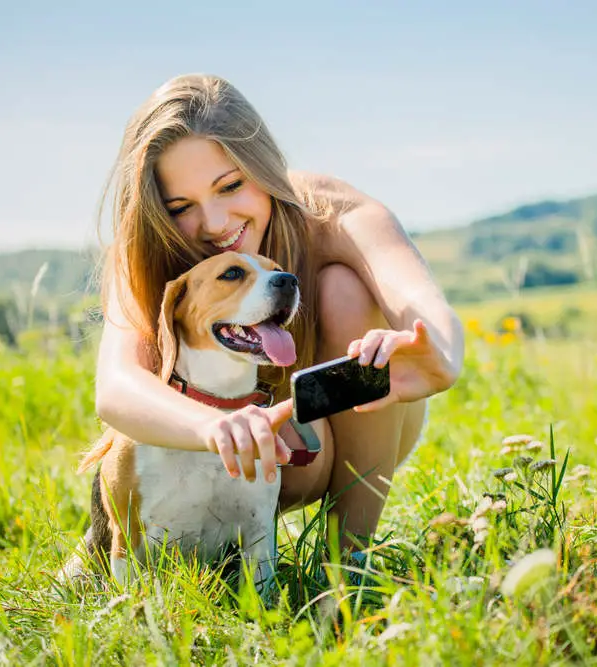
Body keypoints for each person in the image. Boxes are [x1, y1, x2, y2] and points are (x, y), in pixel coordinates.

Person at [94, 73, 464, 553]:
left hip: (317, 441)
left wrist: (437, 355)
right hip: (201, 452)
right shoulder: (147, 246)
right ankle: (146, 543)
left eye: (229, 186)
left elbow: (418, 299)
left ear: (263, 165)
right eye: (181, 206)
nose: (215, 223)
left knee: (344, 291)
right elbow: (116, 387)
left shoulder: (327, 210)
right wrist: (214, 426)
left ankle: (347, 562)